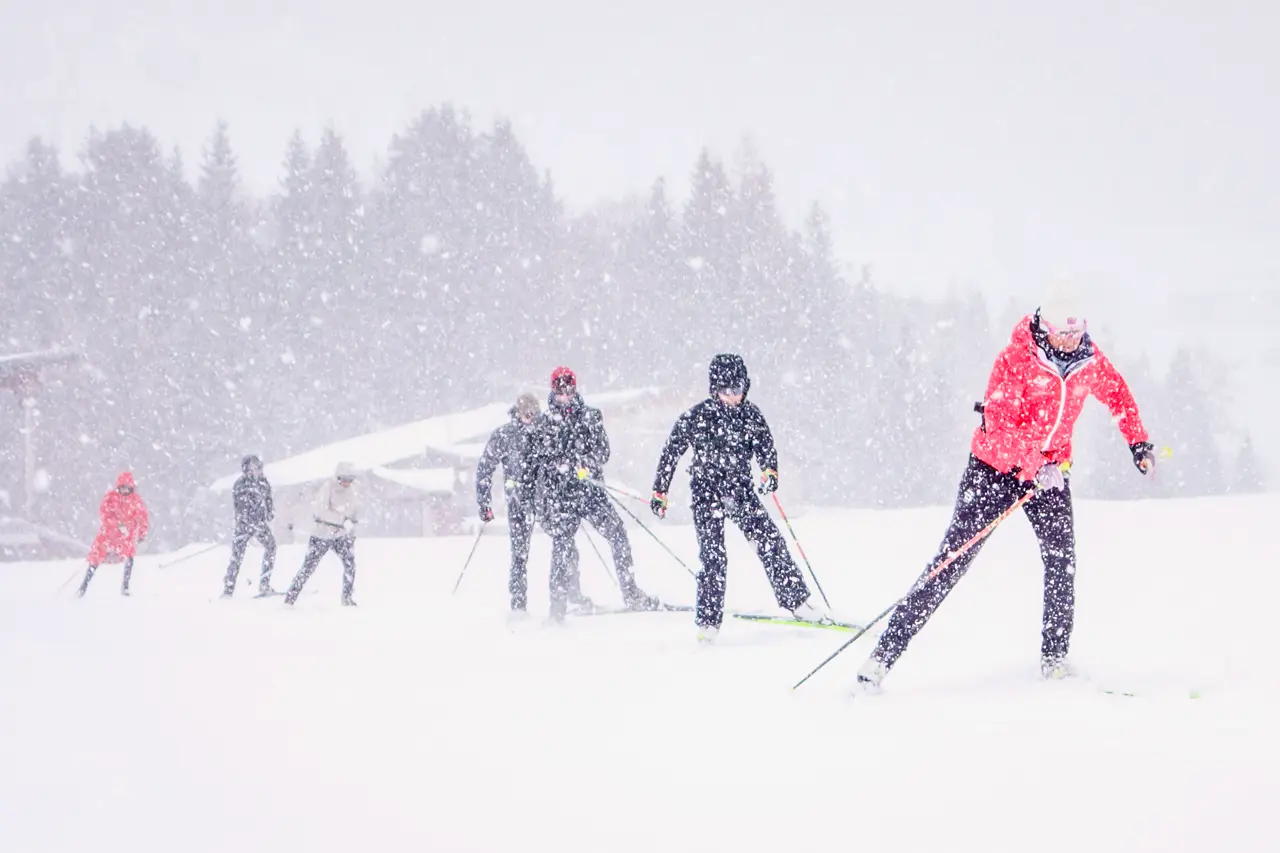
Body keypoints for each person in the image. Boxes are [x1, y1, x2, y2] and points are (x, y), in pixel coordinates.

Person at [854, 282, 1156, 693]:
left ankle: (1054, 658)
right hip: (993, 472)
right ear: (1044, 326)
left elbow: (1118, 395)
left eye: (1076, 332)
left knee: (1061, 561)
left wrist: (1138, 443)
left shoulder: (1090, 362)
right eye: (1061, 333)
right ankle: (881, 658)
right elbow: (998, 428)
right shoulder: (1016, 358)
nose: (1069, 341)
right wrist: (1036, 464)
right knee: (951, 562)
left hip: (1048, 474)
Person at [650, 354, 829, 642]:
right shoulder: (698, 417)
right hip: (706, 493)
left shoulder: (751, 415)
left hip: (740, 491)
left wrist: (769, 472)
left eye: (738, 389)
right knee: (713, 557)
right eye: (726, 390)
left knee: (770, 540)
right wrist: (660, 490)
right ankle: (708, 622)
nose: (733, 396)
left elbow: (765, 447)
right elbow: (671, 451)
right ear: (714, 389)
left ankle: (797, 602)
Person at [521, 366, 659, 622]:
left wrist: (585, 464)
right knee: (562, 551)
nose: (565, 394)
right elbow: (532, 464)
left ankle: (631, 593)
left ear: (575, 387)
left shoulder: (591, 417)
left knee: (618, 535)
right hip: (559, 498)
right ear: (553, 390)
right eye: (560, 389)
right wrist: (543, 487)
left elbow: (602, 452)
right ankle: (557, 610)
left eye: (569, 388)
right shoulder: (542, 424)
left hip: (591, 493)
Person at [478, 392, 599, 614]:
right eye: (526, 414)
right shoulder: (505, 435)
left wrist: (575, 474)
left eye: (533, 413)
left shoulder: (548, 431)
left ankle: (572, 595)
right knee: (519, 555)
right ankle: (518, 606)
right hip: (519, 503)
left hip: (547, 501)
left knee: (566, 546)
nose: (530, 418)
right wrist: (484, 503)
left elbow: (566, 456)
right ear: (518, 412)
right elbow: (485, 468)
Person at [284, 461, 362, 606]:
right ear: (338, 477)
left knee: (350, 564)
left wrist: (351, 528)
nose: (347, 483)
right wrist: (342, 520)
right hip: (322, 534)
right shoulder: (328, 488)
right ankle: (290, 598)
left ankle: (347, 598)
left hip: (340, 536)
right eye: (344, 479)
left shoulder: (351, 492)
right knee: (308, 567)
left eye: (350, 480)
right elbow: (321, 511)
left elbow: (353, 512)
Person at [78, 471, 149, 597]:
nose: (124, 490)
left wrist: (142, 533)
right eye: (122, 487)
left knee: (129, 555)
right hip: (109, 534)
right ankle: (83, 586)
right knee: (96, 556)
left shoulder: (135, 501)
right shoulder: (110, 498)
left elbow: (142, 517)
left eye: (127, 488)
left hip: (127, 535)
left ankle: (125, 586)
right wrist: (117, 524)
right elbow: (104, 514)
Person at [222, 454, 278, 597]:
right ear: (246, 469)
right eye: (253, 466)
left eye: (258, 466)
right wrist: (248, 522)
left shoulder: (263, 483)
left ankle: (264, 584)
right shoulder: (240, 485)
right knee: (237, 556)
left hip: (260, 524)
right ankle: (228, 589)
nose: (257, 469)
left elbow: (268, 499)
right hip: (244, 525)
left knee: (271, 547)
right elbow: (240, 507)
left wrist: (269, 513)